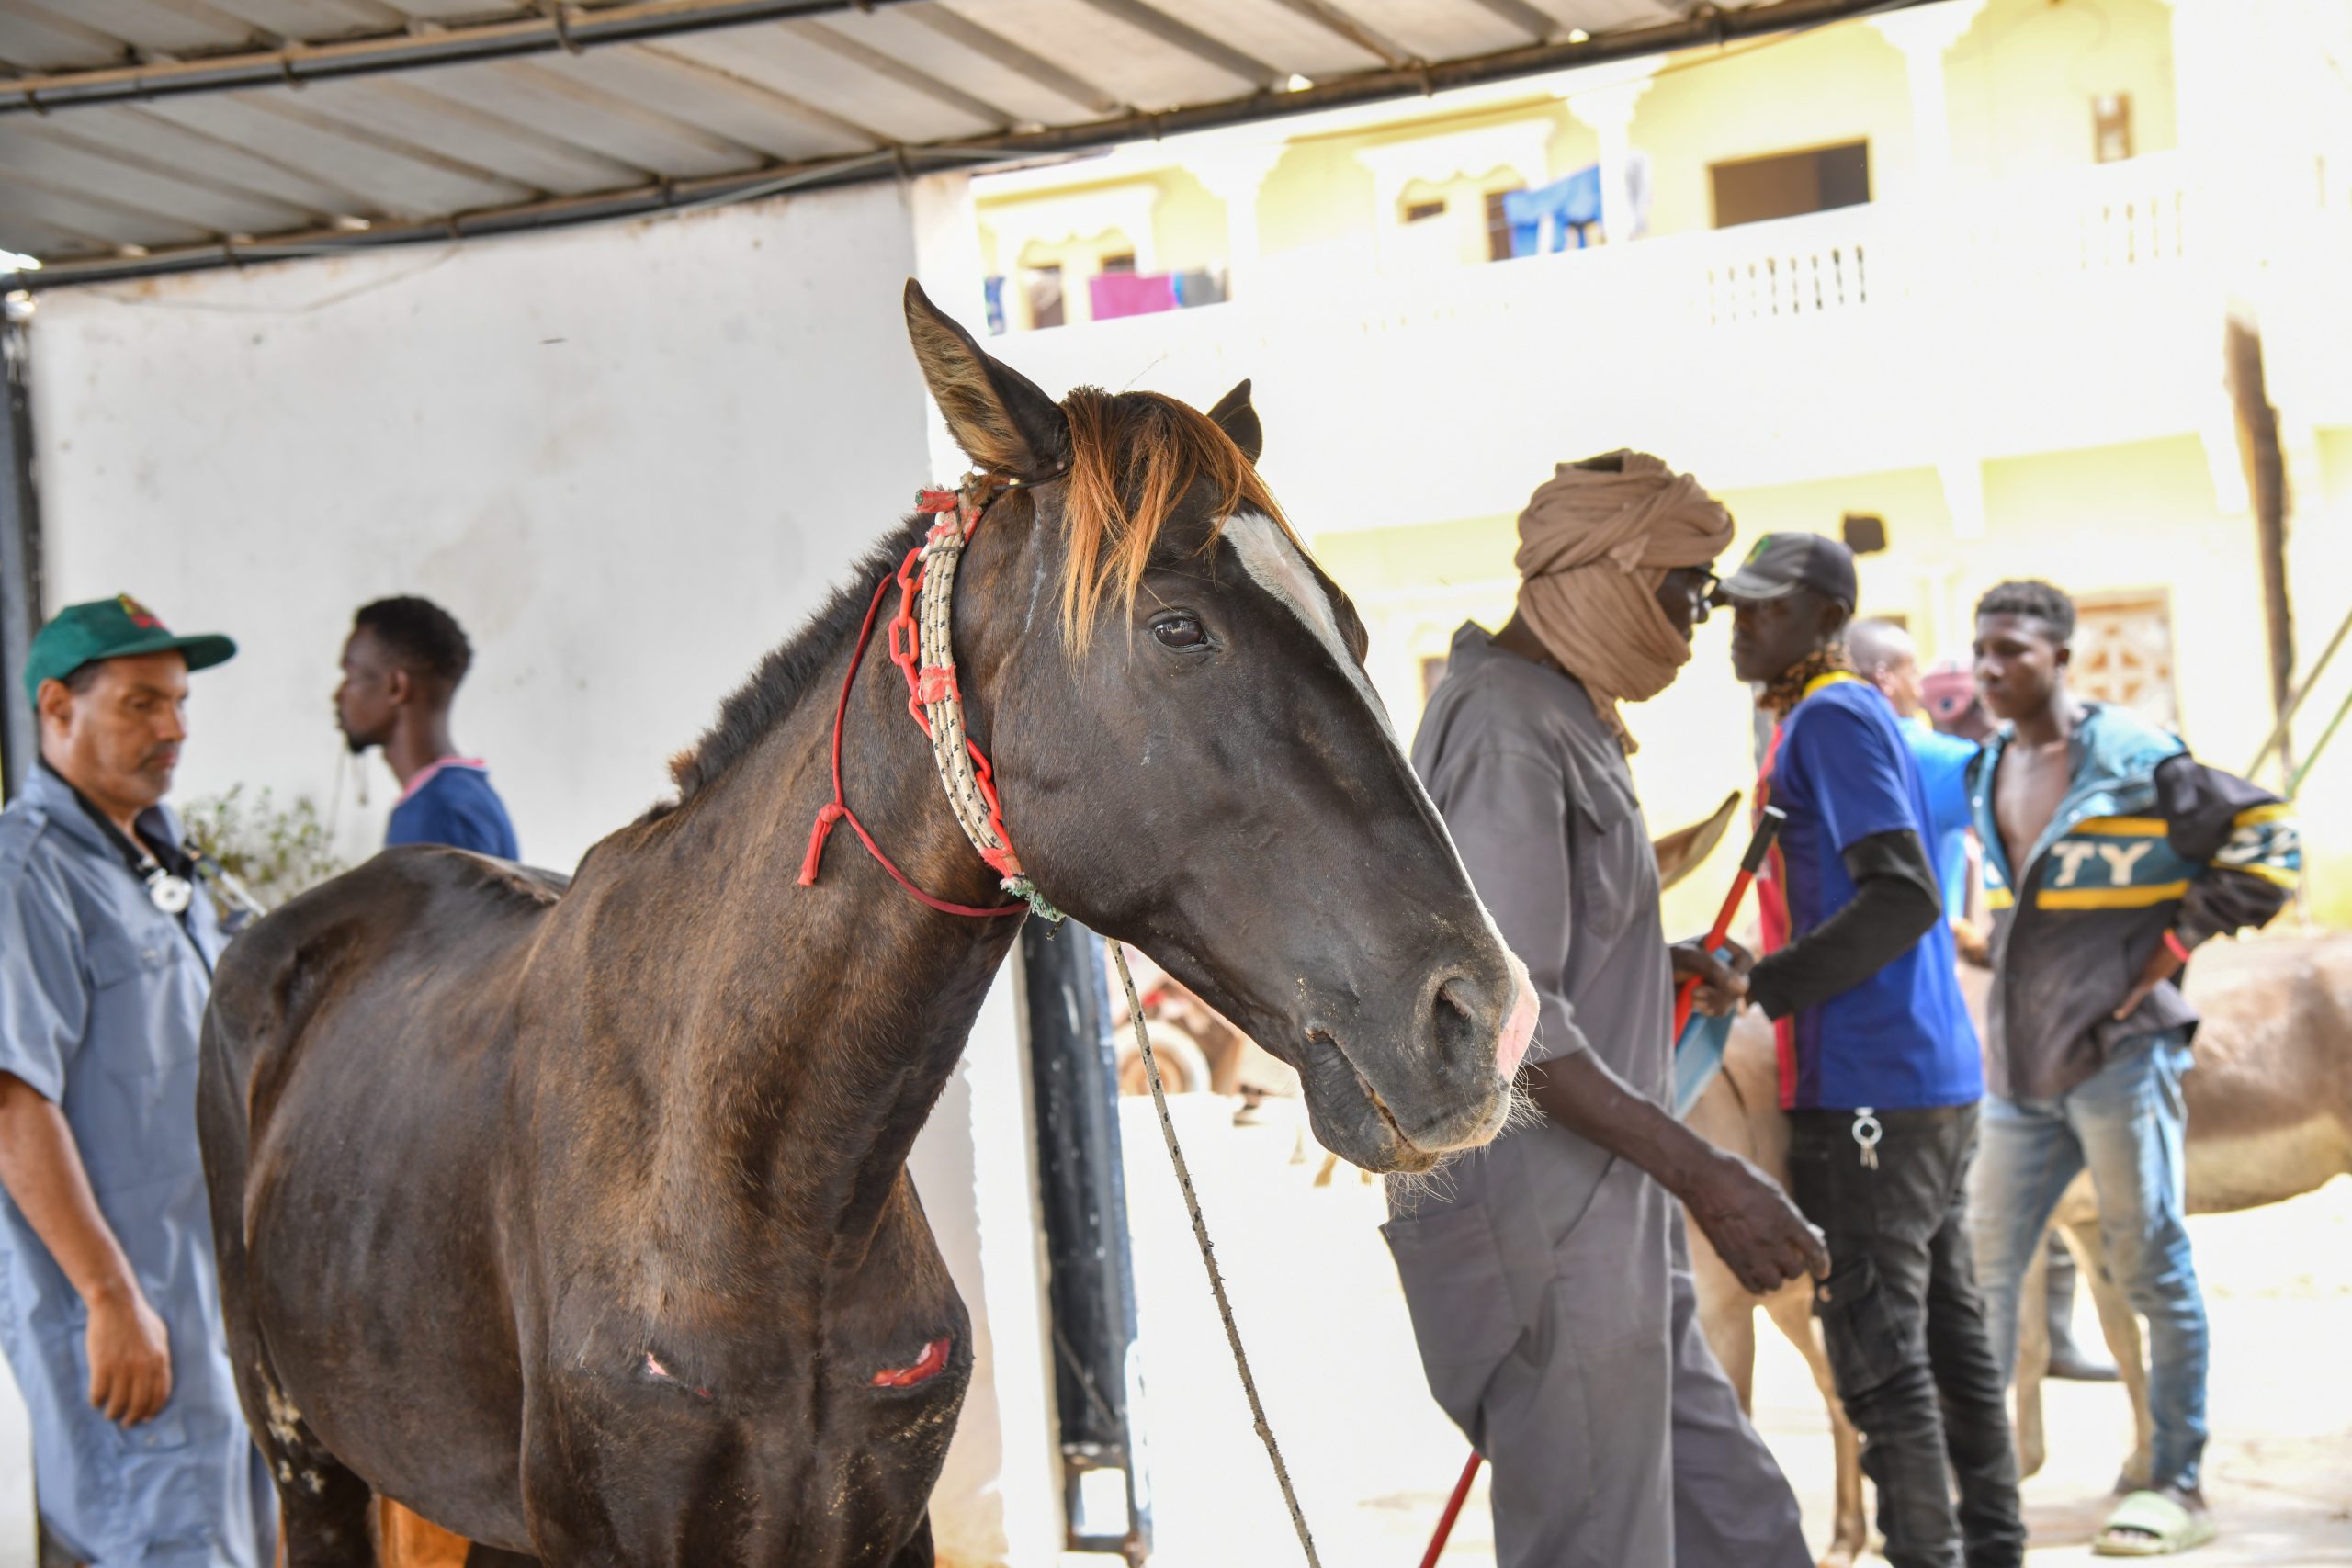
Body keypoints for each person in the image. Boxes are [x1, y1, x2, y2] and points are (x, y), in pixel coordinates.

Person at [1388, 452, 1826, 1568]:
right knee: (1599, 1544)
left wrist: (1655, 956)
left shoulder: (1559, 711)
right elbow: (1507, 1016)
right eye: (1689, 583)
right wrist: (1710, 1175)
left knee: (1745, 1531)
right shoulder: (1502, 725)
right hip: (1544, 1227)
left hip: (1606, 1221)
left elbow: (1535, 946)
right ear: (1612, 575)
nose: (1701, 614)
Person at [1965, 581, 2297, 1558]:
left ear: (2060, 657)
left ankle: (2175, 1482)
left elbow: (2265, 839)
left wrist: (2172, 944)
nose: (1991, 669)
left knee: (2151, 1262)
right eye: (1982, 650)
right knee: (1983, 1272)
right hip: (2019, 1071)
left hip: (2121, 1055)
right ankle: (1982, 1480)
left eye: (2013, 651)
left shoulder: (2135, 758)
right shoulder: (1991, 768)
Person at [1726, 536, 2024, 1568]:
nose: (1740, 626)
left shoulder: (1831, 715)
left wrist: (1760, 985)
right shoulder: (1844, 714)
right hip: (1918, 1081)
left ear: (1824, 617)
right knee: (1949, 1344)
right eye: (1735, 607)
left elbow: (1903, 894)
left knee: (1879, 1362)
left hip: (1869, 1087)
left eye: (1764, 610)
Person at [0, 596, 277, 1568]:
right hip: (127, 1320)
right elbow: (10, 1101)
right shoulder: (23, 874)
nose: (174, 730)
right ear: (57, 709)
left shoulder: (154, 861)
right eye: (140, 704)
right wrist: (109, 1298)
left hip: (208, 1313)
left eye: (180, 704)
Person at [1849, 616, 2120, 1386]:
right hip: (1934, 1016)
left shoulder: (1815, 753)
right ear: (1890, 682)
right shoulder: (1927, 756)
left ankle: (2026, 1345)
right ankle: (2014, 1359)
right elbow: (2035, 799)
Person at [334, 596, 518, 858]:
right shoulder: (467, 794)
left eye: (350, 677)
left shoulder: (433, 812)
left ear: (397, 687)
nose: (338, 695)